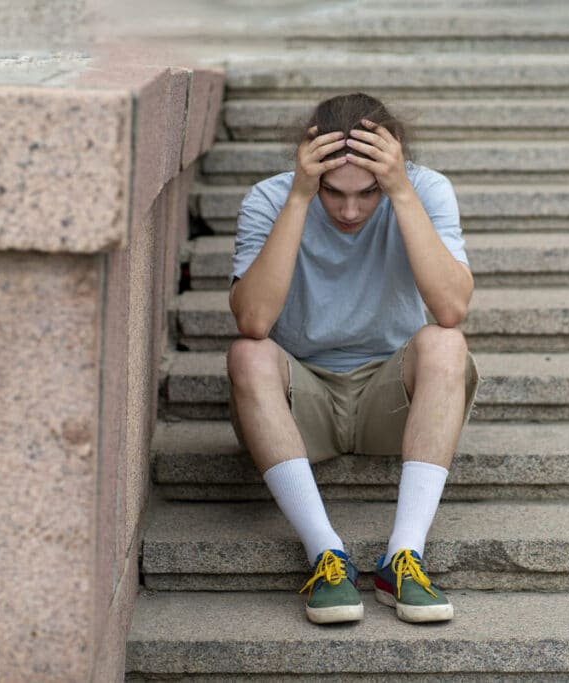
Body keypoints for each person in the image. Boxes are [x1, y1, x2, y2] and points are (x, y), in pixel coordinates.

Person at [226, 92, 479, 625]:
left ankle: (403, 559)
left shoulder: (424, 189)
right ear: (307, 169)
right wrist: (298, 198)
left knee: (445, 342)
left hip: (391, 403)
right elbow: (252, 321)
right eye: (331, 192)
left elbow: (452, 307)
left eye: (366, 193)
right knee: (248, 355)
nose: (348, 211)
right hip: (302, 404)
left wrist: (401, 193)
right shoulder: (271, 198)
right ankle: (325, 554)